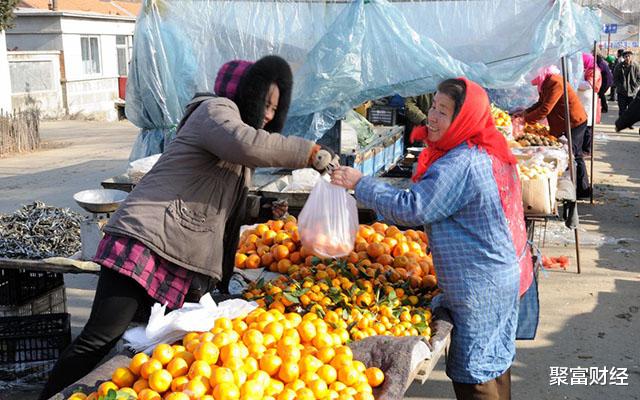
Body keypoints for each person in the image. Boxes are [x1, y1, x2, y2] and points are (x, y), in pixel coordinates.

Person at [37, 55, 339, 400]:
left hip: (174, 250)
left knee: (174, 343)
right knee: (99, 338)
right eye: (265, 104)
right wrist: (310, 152)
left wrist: (264, 208)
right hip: (144, 241)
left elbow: (218, 198)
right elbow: (245, 142)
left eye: (275, 108)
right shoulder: (215, 111)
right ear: (247, 93)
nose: (269, 115)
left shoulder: (229, 138)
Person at [332, 78, 533, 400]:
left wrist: (362, 183)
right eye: (433, 108)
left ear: (464, 117)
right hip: (504, 272)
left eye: (443, 112)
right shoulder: (486, 146)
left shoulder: (461, 163)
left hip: (481, 283)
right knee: (495, 360)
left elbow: (412, 207)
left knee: (474, 373)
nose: (432, 118)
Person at [521, 66, 590, 199]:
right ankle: (582, 188)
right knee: (575, 154)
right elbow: (541, 103)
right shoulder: (547, 83)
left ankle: (582, 190)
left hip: (574, 122)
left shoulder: (555, 82)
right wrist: (525, 112)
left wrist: (525, 120)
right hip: (565, 122)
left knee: (573, 154)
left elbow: (545, 109)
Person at [577, 53, 602, 156]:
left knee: (588, 125)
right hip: (583, 99)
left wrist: (575, 83)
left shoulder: (594, 70)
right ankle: (583, 148)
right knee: (583, 123)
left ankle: (587, 150)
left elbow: (589, 85)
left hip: (589, 100)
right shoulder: (587, 69)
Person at [613, 50, 640, 115]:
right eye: (626, 56)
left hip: (632, 93)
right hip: (621, 93)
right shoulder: (618, 66)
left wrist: (635, 86)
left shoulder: (636, 66)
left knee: (631, 111)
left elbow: (639, 78)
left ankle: (629, 125)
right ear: (623, 57)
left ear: (631, 57)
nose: (627, 58)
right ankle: (621, 125)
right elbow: (615, 78)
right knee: (622, 111)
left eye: (629, 56)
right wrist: (620, 87)